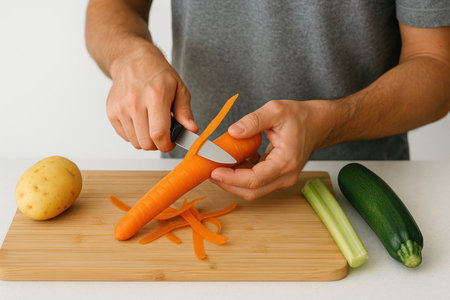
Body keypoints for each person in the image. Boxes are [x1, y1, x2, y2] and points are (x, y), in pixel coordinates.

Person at [85, 0, 450, 200]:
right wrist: (128, 56)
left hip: (353, 189)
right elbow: (112, 7)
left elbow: (436, 65)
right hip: (188, 184)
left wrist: (331, 122)